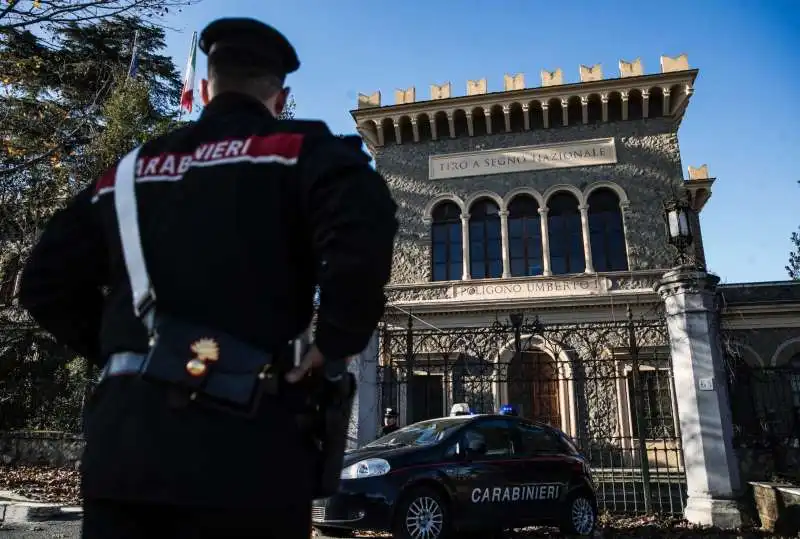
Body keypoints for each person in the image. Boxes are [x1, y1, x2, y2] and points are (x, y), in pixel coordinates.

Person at [18, 17, 398, 539]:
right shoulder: (305, 154)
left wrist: (133, 352)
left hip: (126, 449)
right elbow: (366, 231)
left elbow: (40, 283)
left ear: (203, 87)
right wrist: (333, 341)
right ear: (280, 96)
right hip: (251, 453)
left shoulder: (128, 173)